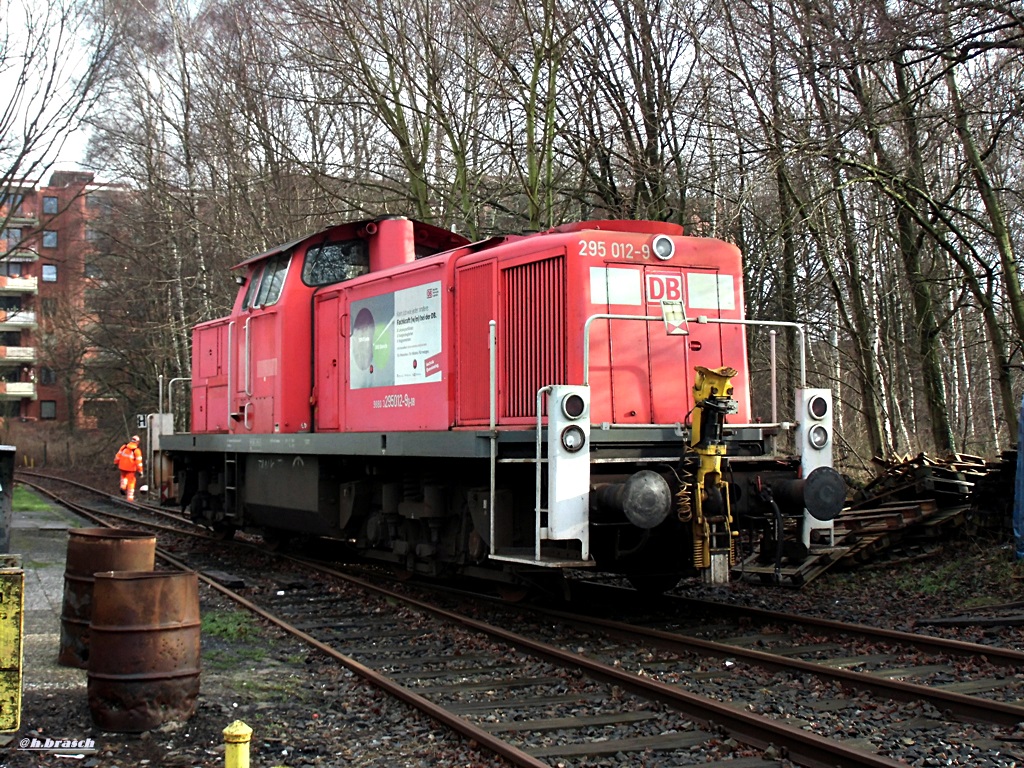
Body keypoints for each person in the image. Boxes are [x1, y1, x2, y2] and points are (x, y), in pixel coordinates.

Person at [114, 435, 144, 502]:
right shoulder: (137, 451)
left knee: (123, 477)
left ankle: (123, 487)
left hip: (122, 467)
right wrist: (140, 471)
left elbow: (118, 455)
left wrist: (115, 463)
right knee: (131, 482)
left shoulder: (124, 447)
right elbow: (139, 462)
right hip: (131, 469)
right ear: (137, 442)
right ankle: (130, 498)